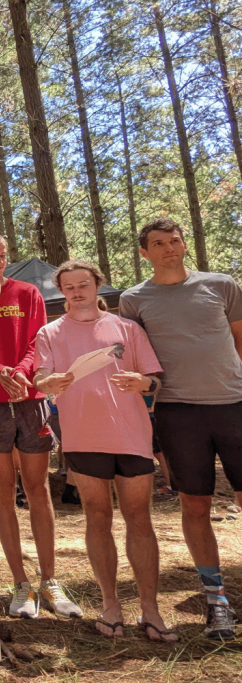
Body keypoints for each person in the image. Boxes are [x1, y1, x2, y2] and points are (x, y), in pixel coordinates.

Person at [34, 259, 176, 642]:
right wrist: (49, 382)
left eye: (83, 284)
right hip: (82, 438)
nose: (77, 292)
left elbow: (155, 381)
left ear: (97, 285)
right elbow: (40, 378)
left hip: (131, 436)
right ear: (61, 292)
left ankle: (151, 608)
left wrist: (143, 381)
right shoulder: (49, 332)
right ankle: (110, 603)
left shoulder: (127, 328)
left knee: (139, 518)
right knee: (97, 517)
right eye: (69, 287)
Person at [119, 218, 242, 640]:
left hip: (234, 405)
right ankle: (217, 601)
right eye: (159, 243)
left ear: (184, 243)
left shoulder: (222, 284)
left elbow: (240, 339)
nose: (170, 247)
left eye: (175, 240)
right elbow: (136, 358)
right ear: (145, 252)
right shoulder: (134, 300)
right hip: (178, 412)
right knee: (195, 504)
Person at [0, 233, 81, 619]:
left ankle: (50, 581)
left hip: (31, 398)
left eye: (3, 255)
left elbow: (39, 342)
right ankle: (20, 585)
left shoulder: (27, 292)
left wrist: (19, 373)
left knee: (37, 489)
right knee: (3, 490)